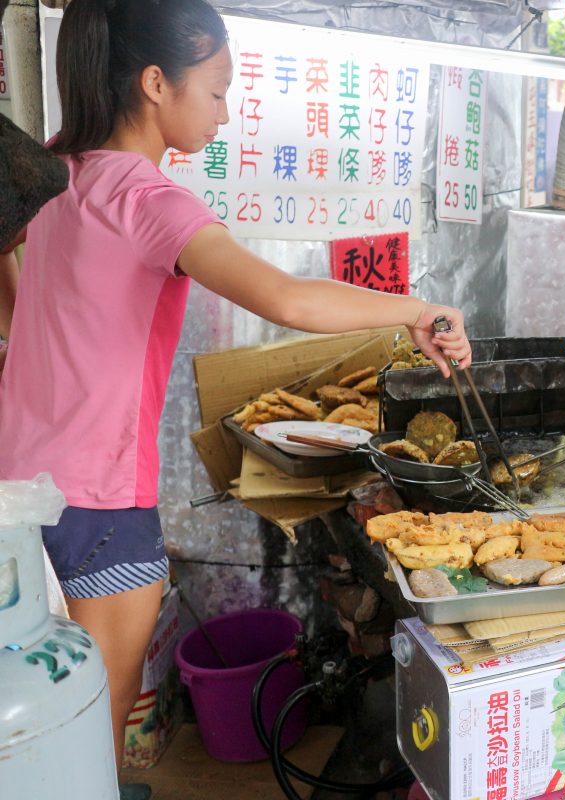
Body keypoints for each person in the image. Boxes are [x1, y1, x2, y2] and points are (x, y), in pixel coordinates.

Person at [0, 2, 471, 798]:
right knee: (91, 726)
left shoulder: (50, 172)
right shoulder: (150, 202)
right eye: (217, 91)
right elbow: (286, 298)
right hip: (102, 500)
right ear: (155, 83)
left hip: (17, 485)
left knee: (31, 712)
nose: (225, 111)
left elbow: (17, 295)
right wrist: (416, 311)